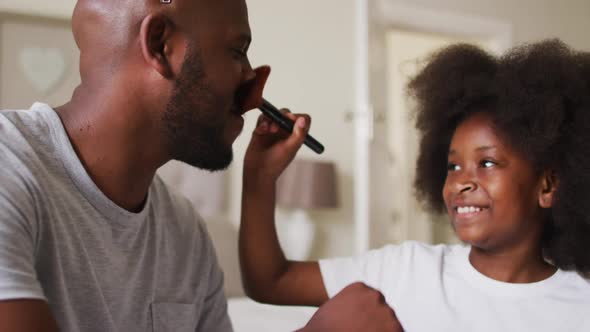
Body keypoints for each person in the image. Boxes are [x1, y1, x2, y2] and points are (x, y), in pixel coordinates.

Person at [0, 0, 402, 331]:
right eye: (237, 51)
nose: (252, 84)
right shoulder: (8, 167)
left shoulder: (183, 229)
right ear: (160, 45)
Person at [240, 39, 590, 331]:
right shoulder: (407, 271)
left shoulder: (580, 302)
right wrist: (259, 179)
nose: (461, 182)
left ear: (548, 186)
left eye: (487, 163)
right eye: (453, 166)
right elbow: (271, 281)